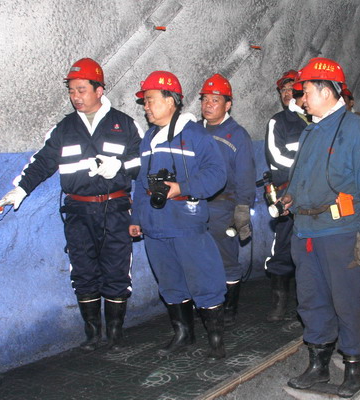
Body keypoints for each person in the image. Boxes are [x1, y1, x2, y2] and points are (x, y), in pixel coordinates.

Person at [0, 58, 143, 352]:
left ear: (99, 90)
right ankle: (93, 335)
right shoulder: (64, 128)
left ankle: (114, 335)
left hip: (115, 210)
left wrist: (120, 166)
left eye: (81, 90)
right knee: (83, 272)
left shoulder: (124, 124)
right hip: (78, 211)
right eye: (71, 91)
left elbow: (144, 161)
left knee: (116, 271)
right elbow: (42, 162)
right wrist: (20, 189)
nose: (76, 97)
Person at [282, 57, 360, 397]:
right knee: (311, 300)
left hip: (341, 232)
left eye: (307, 92)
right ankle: (318, 366)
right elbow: (301, 176)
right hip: (306, 230)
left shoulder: (356, 130)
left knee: (346, 302)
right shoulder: (310, 131)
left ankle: (353, 368)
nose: (302, 99)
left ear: (326, 91)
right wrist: (289, 197)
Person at [128, 71, 228, 360]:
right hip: (155, 226)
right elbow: (141, 182)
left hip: (186, 223)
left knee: (204, 280)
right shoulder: (148, 139)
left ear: (170, 100)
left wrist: (182, 187)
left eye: (150, 100)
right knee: (170, 283)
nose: (146, 106)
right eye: (144, 101)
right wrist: (136, 218)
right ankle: (184, 334)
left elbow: (217, 174)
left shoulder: (195, 135)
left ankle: (216, 339)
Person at [198, 73, 256, 327]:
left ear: (228, 104)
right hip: (194, 205)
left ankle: (229, 308)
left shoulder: (237, 135)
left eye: (215, 100)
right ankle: (207, 305)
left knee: (226, 259)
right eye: (205, 99)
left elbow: (245, 174)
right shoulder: (193, 131)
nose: (208, 104)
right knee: (198, 258)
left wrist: (242, 208)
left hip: (224, 205)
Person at [264, 74, 310, 322]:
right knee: (283, 246)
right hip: (286, 192)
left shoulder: (316, 120)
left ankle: (309, 301)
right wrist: (308, 167)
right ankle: (279, 302)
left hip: (314, 194)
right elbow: (276, 157)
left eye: (291, 89)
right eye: (283, 90)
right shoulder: (278, 122)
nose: (286, 94)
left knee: (313, 247)